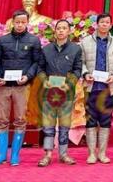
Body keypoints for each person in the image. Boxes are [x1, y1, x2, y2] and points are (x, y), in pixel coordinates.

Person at [0, 9, 41, 166]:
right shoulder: (2, 40)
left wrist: (28, 76)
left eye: (23, 22)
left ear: (27, 23)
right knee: (2, 120)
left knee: (20, 119)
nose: (20, 25)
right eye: (17, 22)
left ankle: (15, 155)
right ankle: (1, 155)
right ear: (12, 22)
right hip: (3, 86)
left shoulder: (34, 40)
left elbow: (37, 63)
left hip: (22, 86)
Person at [37, 20, 83, 167]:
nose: (61, 31)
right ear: (55, 31)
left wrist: (69, 84)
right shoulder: (46, 49)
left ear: (69, 31)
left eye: (64, 28)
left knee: (64, 125)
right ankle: (48, 154)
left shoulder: (75, 49)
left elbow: (77, 70)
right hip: (48, 92)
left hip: (66, 93)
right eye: (59, 28)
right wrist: (44, 81)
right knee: (48, 125)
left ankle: (63, 154)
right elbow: (40, 69)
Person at [80, 12, 113, 164]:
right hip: (91, 87)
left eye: (107, 22)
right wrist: (85, 74)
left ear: (111, 25)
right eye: (102, 22)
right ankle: (92, 153)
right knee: (91, 120)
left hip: (108, 87)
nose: (104, 24)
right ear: (97, 24)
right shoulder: (85, 42)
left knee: (106, 120)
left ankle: (102, 153)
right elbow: (81, 62)